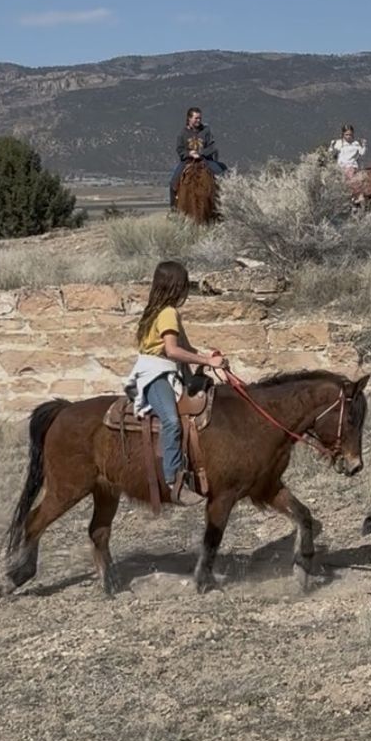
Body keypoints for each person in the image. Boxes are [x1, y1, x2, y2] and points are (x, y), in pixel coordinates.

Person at [126, 260, 227, 506]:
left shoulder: (158, 311)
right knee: (171, 421)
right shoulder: (167, 313)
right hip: (156, 375)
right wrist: (207, 361)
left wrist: (208, 357)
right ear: (175, 285)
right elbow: (172, 351)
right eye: (184, 284)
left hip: (166, 370)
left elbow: (185, 349)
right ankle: (174, 481)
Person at [170, 107, 226, 207]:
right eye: (196, 118)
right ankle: (173, 208)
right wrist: (189, 153)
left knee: (222, 174)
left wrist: (201, 154)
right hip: (188, 161)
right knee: (173, 182)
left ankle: (223, 203)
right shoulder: (182, 133)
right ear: (189, 118)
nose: (198, 120)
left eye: (200, 118)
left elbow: (212, 147)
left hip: (205, 160)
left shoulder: (206, 131)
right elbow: (180, 149)